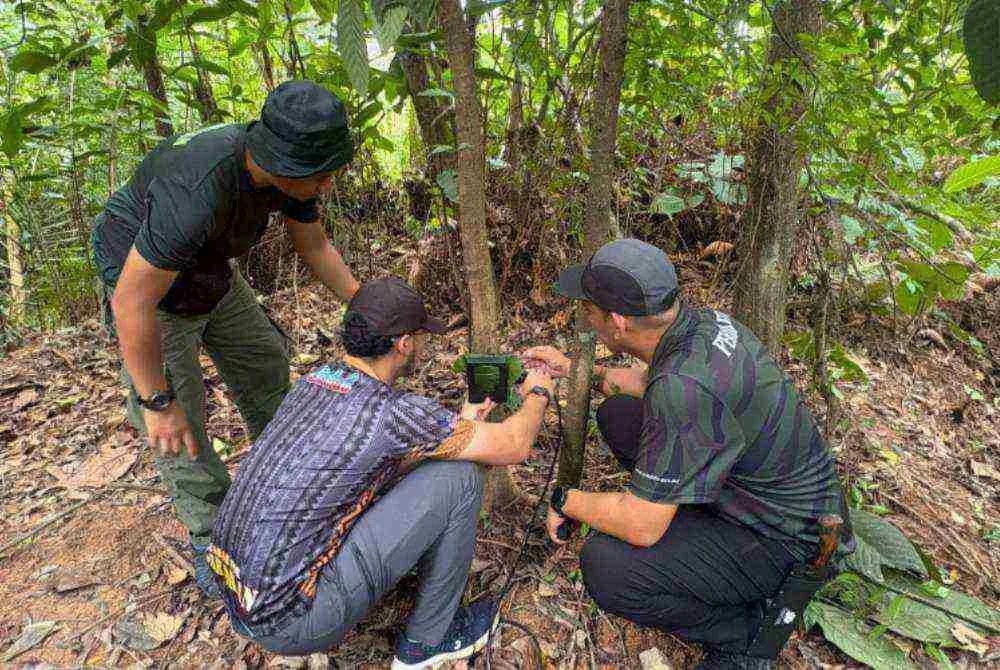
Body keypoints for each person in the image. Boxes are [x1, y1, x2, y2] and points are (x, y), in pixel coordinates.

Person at [523, 238, 852, 670]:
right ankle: (690, 525)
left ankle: (743, 634)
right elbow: (647, 386)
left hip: (787, 541)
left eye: (588, 308)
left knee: (606, 566)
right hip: (765, 493)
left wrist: (567, 499)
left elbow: (641, 528)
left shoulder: (683, 389)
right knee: (621, 416)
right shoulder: (704, 326)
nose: (583, 314)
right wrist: (572, 368)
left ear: (618, 321)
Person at [90, 80, 362, 596]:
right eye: (323, 177)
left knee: (263, 361)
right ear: (287, 167)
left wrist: (361, 299)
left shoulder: (291, 176)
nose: (329, 186)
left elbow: (315, 245)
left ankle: (282, 477)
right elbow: (132, 302)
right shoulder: (196, 189)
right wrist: (154, 399)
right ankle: (212, 537)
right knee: (179, 422)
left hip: (208, 270)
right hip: (148, 285)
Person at [207, 277, 556, 668]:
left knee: (433, 466)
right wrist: (539, 393)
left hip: (234, 590)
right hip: (289, 621)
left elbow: (371, 459)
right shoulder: (391, 412)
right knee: (460, 478)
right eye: (422, 337)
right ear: (403, 343)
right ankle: (427, 644)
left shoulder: (315, 381)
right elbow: (514, 445)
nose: (424, 345)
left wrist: (464, 425)